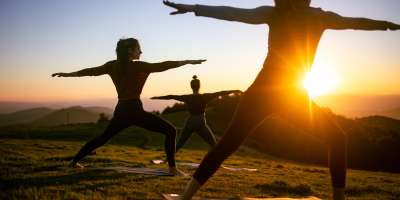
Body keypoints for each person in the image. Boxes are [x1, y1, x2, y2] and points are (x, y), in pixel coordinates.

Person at [163, 0, 400, 199]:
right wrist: (194, 8)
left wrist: (385, 25)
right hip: (275, 95)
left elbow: (354, 23)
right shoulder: (298, 15)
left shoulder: (300, 15)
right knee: (229, 144)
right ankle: (185, 197)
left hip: (288, 96)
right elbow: (233, 13)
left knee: (337, 138)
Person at [52, 38, 206, 175]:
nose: (141, 51)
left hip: (121, 109)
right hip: (134, 109)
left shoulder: (112, 66)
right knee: (171, 131)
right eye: (138, 49)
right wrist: (186, 62)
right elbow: (162, 66)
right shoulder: (138, 66)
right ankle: (173, 169)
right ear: (131, 51)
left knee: (103, 137)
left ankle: (73, 162)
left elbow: (90, 72)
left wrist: (66, 74)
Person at [151, 75, 241, 151]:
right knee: (214, 144)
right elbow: (221, 93)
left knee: (179, 144)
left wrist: (156, 97)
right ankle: (218, 163)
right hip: (201, 122)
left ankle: (167, 161)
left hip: (190, 122)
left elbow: (171, 96)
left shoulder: (188, 97)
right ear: (199, 86)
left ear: (191, 86)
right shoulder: (205, 97)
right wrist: (235, 90)